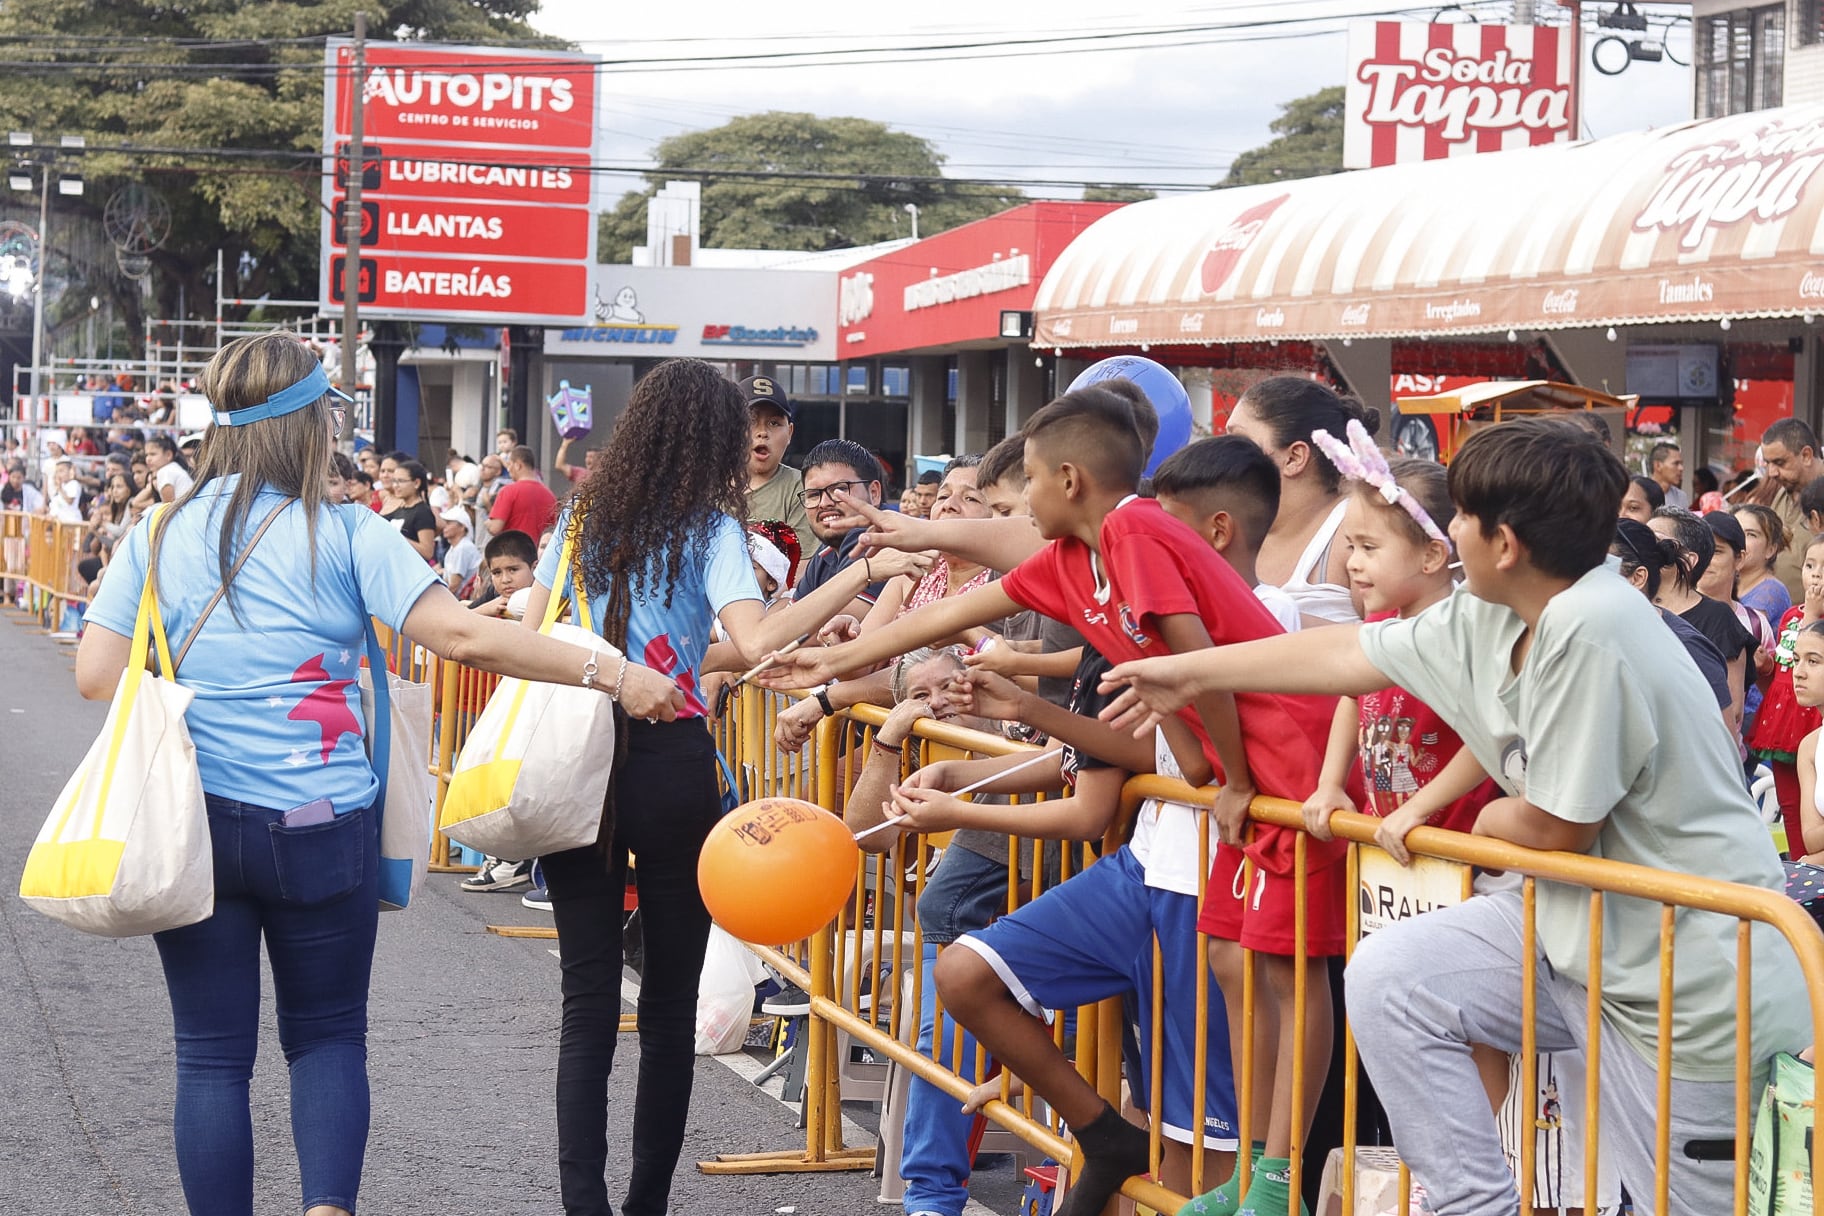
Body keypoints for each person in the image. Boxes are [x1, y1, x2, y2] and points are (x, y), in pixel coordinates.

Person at [1099, 417, 1810, 1216]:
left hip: (1694, 986)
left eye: (1463, 515)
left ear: (1502, 543)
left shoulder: (1593, 627)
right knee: (1396, 978)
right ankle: (1473, 1205)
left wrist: (1491, 823)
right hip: (1582, 936)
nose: (1451, 527)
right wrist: (1184, 672)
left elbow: (1553, 829)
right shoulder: (1495, 611)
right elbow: (1346, 656)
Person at [73, 332, 679, 1216]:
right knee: (326, 1040)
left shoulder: (159, 533)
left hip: (196, 818)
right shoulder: (349, 530)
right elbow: (461, 635)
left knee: (209, 1055)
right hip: (323, 821)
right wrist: (614, 673)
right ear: (308, 422)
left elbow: (96, 674)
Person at [768, 383, 1335, 1216]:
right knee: (1213, 988)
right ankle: (1155, 1149)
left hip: (1277, 773)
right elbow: (957, 612)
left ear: (1070, 480)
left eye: (1028, 479)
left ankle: (1272, 1177)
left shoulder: (1135, 530)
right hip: (1206, 807)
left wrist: (1236, 777)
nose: (1022, 501)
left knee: (1274, 994)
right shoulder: (1072, 562)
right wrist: (824, 670)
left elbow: (1195, 657)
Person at [521, 358, 873, 1216]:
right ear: (712, 440)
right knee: (669, 1003)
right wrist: (863, 575)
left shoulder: (578, 520)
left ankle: (583, 1206)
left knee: (587, 997)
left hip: (579, 759)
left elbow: (533, 636)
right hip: (671, 761)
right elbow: (752, 643)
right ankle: (646, 1205)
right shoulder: (712, 530)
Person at [1221, 376, 1375, 626]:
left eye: (1238, 441)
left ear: (1294, 457)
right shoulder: (1227, 533)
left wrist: (1277, 618)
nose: (1223, 453)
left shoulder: (1355, 529)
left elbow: (1387, 643)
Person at [1151, 435, 1301, 632]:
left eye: (1167, 526)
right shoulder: (1178, 607)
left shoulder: (1270, 608)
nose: (1154, 537)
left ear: (1219, 532)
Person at [1749, 531, 1824, 855]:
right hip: (1786, 725)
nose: (1816, 575)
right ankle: (1799, 871)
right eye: (1809, 565)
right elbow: (1785, 669)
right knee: (1791, 807)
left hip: (1809, 720)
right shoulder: (1793, 616)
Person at [1611, 520, 1733, 713]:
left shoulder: (1688, 649)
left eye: (1603, 570)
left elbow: (1723, 737)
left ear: (1637, 578)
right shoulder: (1589, 637)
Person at [792, 438, 890, 615]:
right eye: (814, 494)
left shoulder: (876, 540)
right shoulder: (825, 554)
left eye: (839, 490)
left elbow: (820, 629)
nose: (824, 503)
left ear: (874, 493)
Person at [741, 374, 816, 573]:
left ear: (790, 432)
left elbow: (802, 566)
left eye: (774, 423)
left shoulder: (801, 487)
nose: (762, 432)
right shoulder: (708, 486)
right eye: (750, 421)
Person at [1759, 417, 1819, 601]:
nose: (1772, 473)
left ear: (1806, 455)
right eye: (1768, 463)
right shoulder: (1782, 492)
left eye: (1779, 462)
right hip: (1781, 620)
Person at [487, 444, 558, 541]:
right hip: (539, 553)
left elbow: (494, 528)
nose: (508, 469)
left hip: (512, 551)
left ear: (518, 465)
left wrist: (487, 522)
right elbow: (554, 529)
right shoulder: (550, 495)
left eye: (510, 464)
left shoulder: (508, 491)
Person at [384, 460, 437, 562]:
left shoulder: (422, 512)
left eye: (401, 481)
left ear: (416, 483)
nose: (395, 485)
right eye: (394, 481)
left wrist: (398, 538)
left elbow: (427, 552)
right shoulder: (400, 509)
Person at [438, 504, 482, 595]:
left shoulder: (463, 548)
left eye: (449, 523)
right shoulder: (454, 548)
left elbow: (454, 586)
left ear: (462, 527)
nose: (444, 527)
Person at [1648, 440, 1688, 509]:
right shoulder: (1640, 494)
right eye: (1676, 463)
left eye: (1681, 464)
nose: (1681, 468)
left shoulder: (1681, 497)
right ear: (1658, 465)